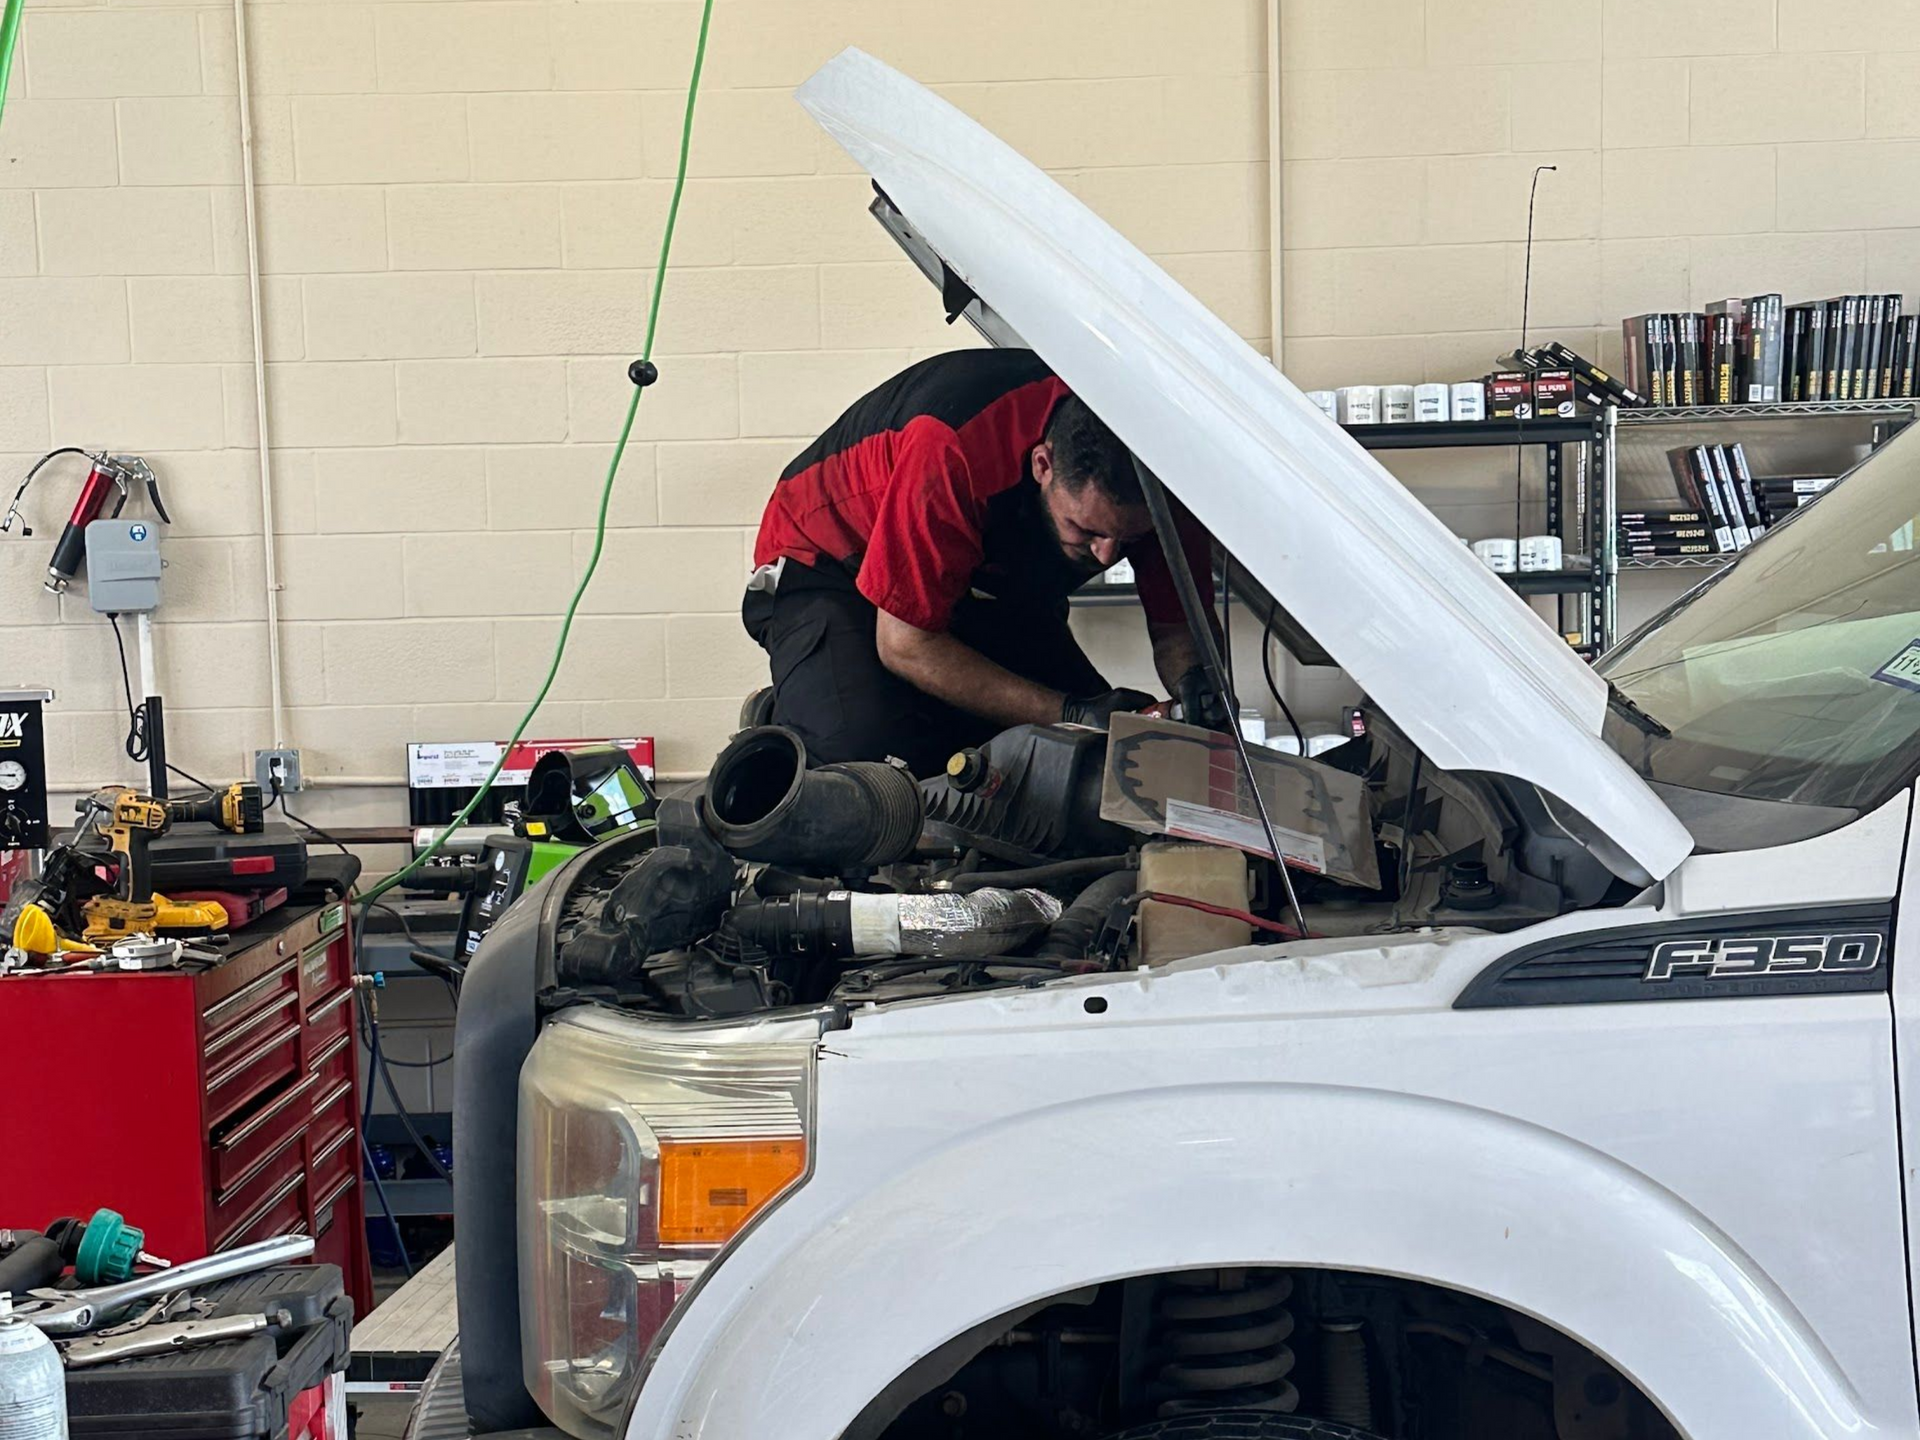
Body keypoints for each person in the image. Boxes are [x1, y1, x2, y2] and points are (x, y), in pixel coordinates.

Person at [742, 348, 1224, 776]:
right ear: (1043, 465)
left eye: (1128, 539)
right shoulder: (956, 447)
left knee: (1093, 765)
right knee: (869, 766)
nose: (1105, 554)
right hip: (828, 564)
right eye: (1086, 530)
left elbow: (1179, 629)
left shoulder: (1162, 489)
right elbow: (906, 644)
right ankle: (804, 710)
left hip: (973, 582)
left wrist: (1197, 687)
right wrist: (1073, 712)